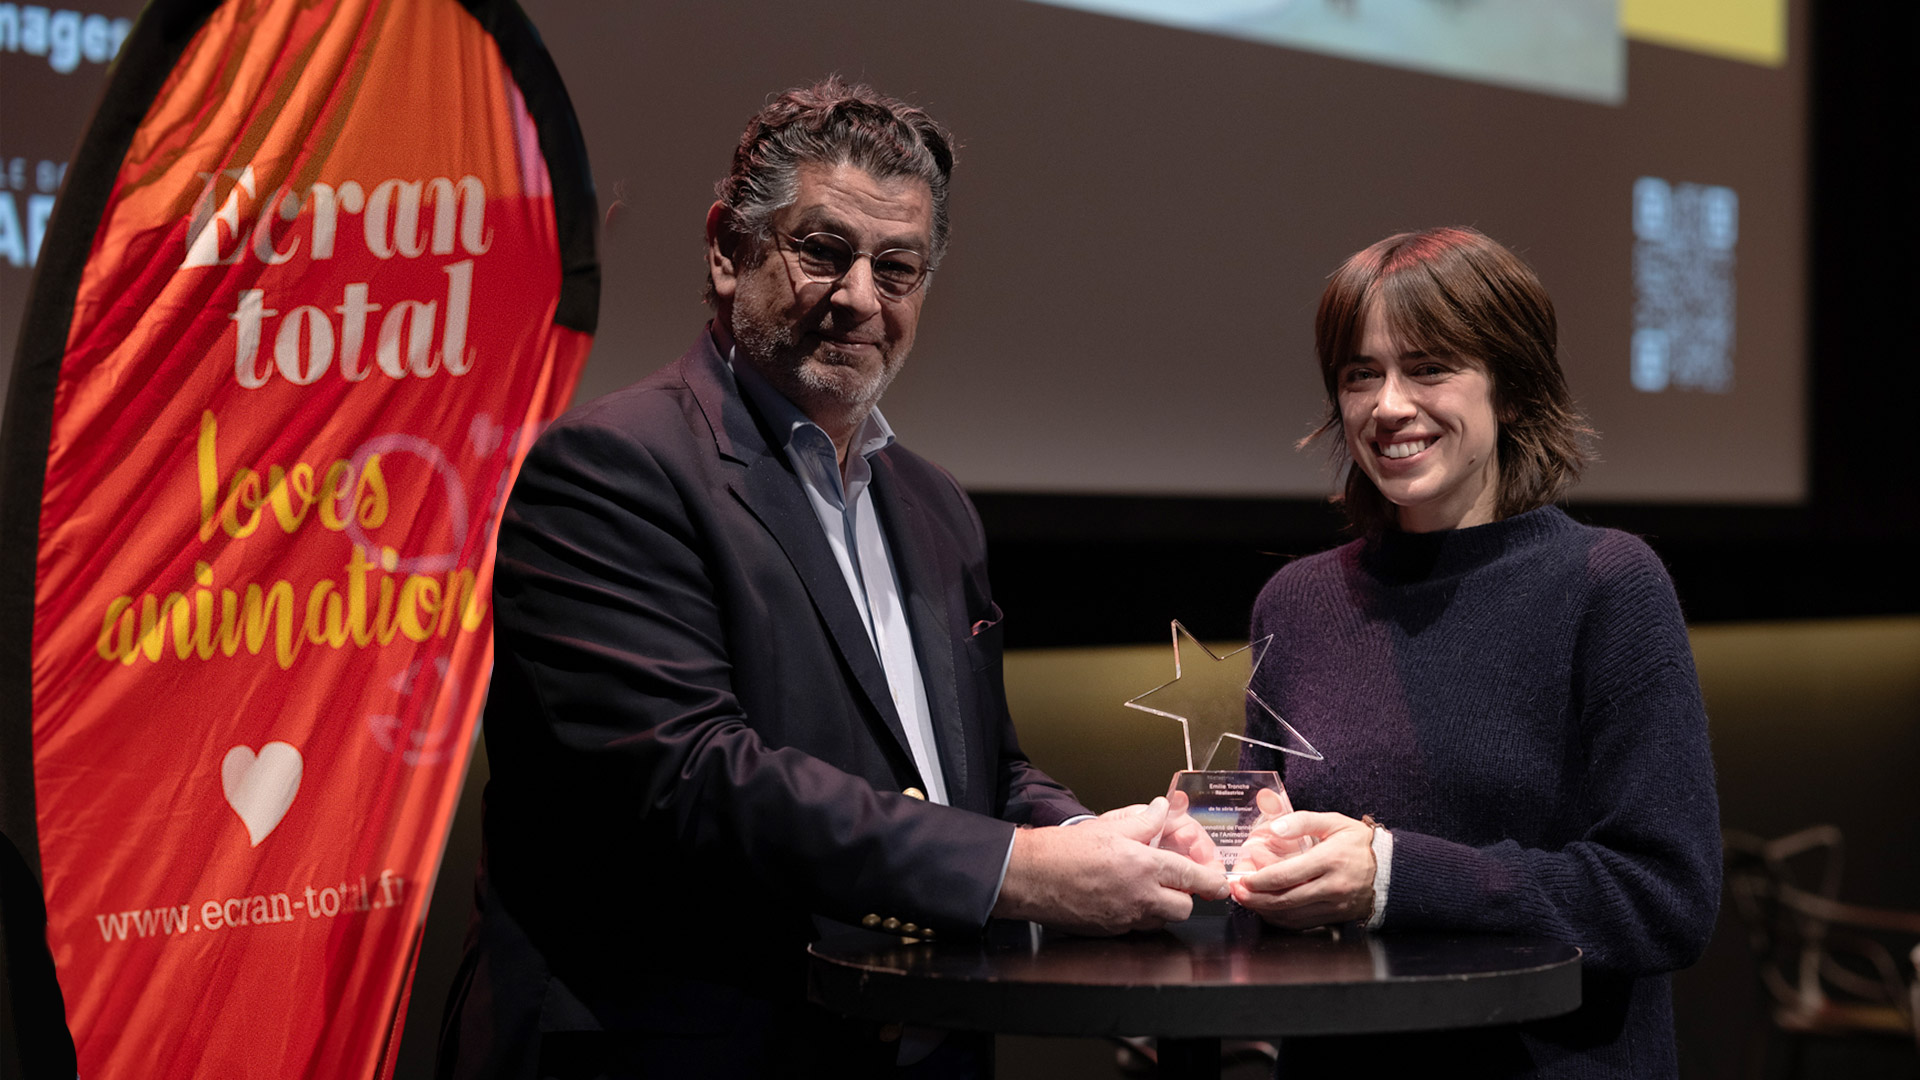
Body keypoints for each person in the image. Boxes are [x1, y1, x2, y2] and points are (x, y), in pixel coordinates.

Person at [436, 78, 1226, 1080]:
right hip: (679, 1044)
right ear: (729, 249)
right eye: (824, 251)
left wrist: (1096, 839)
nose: (861, 297)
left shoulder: (935, 506)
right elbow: (695, 775)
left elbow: (977, 770)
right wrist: (1020, 872)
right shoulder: (609, 470)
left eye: (897, 268)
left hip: (912, 1038)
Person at [1228, 228, 1720, 1076]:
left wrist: (1394, 876)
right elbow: (1262, 856)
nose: (1388, 405)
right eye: (1359, 373)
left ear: (1515, 392)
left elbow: (1665, 899)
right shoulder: (1298, 603)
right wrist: (1218, 845)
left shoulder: (1608, 585)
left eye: (1428, 368)